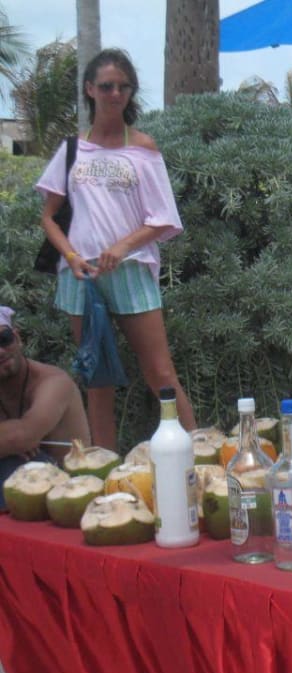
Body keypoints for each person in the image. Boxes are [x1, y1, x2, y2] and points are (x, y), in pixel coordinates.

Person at [36, 48, 195, 451]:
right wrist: (71, 256)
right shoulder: (72, 148)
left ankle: (198, 458)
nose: (114, 94)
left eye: (123, 86)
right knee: (97, 378)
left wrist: (122, 247)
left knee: (161, 373)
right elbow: (48, 217)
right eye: (106, 86)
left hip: (131, 271)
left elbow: (163, 218)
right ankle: (104, 469)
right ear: (90, 89)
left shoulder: (142, 147)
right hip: (81, 276)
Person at [0, 306, 91, 495]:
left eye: (4, 339)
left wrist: (14, 442)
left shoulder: (54, 382)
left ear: (17, 338)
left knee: (23, 465)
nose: (0, 351)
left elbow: (22, 436)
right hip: (22, 496)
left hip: (71, 494)